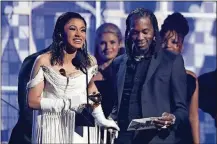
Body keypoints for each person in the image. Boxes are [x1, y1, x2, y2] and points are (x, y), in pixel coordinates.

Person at [27, 12, 119, 143]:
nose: (78, 34)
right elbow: (32, 101)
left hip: (76, 130)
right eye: (72, 29)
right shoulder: (43, 61)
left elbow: (92, 91)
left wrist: (101, 119)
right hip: (50, 131)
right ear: (60, 33)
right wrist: (68, 104)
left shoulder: (89, 61)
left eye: (82, 30)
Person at [107, 8, 188, 144]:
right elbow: (114, 104)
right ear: (128, 33)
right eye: (135, 32)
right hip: (122, 138)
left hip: (156, 139)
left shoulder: (172, 60)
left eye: (145, 32)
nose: (140, 38)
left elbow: (182, 110)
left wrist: (172, 118)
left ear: (154, 33)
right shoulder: (118, 63)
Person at [160, 12, 200, 144]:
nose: (168, 45)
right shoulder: (152, 74)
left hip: (182, 138)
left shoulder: (190, 78)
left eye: (174, 42)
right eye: (164, 40)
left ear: (181, 46)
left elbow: (193, 117)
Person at [9, 47, 50, 144]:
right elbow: (27, 108)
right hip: (31, 136)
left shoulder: (82, 62)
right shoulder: (36, 61)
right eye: (73, 30)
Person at [93, 23, 124, 117]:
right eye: (103, 43)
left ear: (120, 44)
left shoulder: (128, 68)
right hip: (95, 124)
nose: (108, 47)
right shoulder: (89, 70)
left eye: (112, 42)